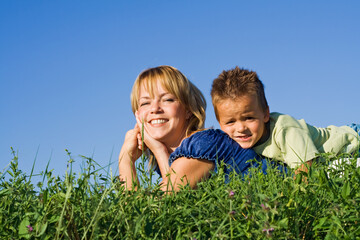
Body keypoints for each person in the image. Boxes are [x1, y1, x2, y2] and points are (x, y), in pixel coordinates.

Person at [118, 65, 276, 191]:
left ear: (187, 109)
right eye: (145, 103)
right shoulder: (176, 159)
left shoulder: (202, 145)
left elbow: (151, 213)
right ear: (137, 114)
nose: (155, 109)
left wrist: (126, 160)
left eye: (167, 99)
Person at [210, 66, 360, 172]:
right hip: (328, 159)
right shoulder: (235, 141)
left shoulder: (285, 129)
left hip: (348, 142)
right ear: (220, 123)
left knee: (341, 170)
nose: (241, 128)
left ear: (265, 114)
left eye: (249, 118)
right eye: (230, 122)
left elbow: (305, 168)